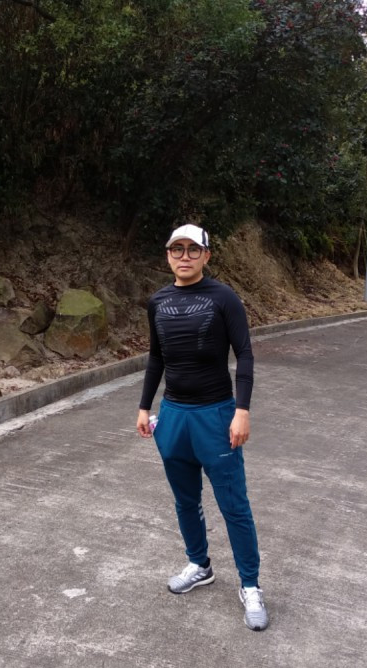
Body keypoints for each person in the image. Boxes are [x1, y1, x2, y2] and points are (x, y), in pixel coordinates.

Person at [136, 223, 268, 631]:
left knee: (234, 505)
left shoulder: (223, 298)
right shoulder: (158, 302)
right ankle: (199, 564)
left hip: (216, 415)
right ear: (168, 255)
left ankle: (250, 585)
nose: (185, 256)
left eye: (193, 249)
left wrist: (242, 410)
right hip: (173, 415)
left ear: (207, 256)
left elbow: (244, 354)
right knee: (185, 500)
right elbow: (156, 358)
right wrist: (144, 407)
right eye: (177, 249)